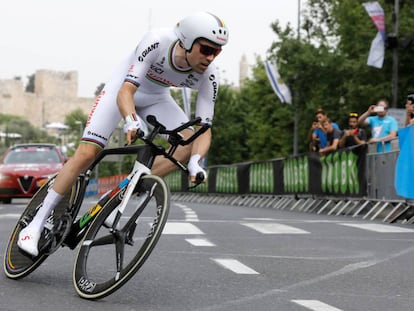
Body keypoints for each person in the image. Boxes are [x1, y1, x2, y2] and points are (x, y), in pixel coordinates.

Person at [18, 12, 229, 256]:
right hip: (121, 90)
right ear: (187, 41)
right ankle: (35, 224)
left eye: (217, 51)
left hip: (157, 98)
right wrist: (130, 121)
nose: (211, 57)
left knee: (187, 144)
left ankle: (117, 195)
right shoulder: (156, 41)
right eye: (206, 49)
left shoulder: (209, 75)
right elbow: (126, 92)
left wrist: (195, 162)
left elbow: (204, 128)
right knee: (88, 153)